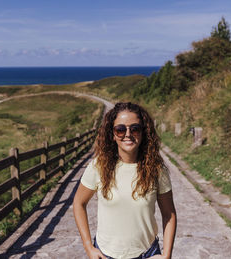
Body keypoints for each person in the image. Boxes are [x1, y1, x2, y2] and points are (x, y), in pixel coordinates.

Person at [73, 102, 177, 259]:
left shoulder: (157, 169)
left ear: (143, 132)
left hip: (147, 253)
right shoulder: (98, 166)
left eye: (134, 128)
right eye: (120, 129)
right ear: (113, 134)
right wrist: (89, 247)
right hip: (105, 254)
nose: (128, 134)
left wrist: (166, 255)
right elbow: (78, 203)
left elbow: (169, 214)